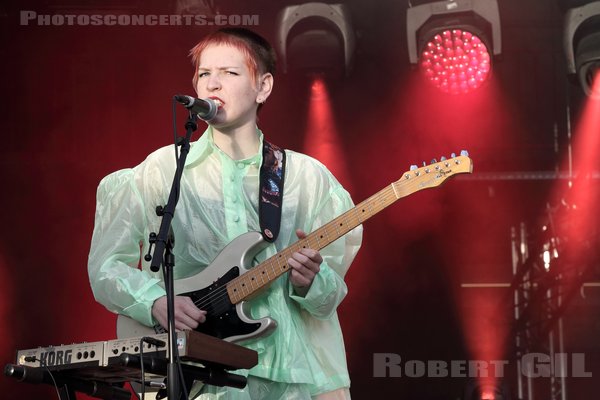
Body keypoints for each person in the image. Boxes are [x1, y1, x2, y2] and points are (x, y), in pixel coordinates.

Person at [88, 27, 362, 400]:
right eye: (204, 74)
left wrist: (309, 281)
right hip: (202, 377)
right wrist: (154, 301)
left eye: (230, 73)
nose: (213, 84)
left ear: (263, 87)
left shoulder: (307, 179)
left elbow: (329, 298)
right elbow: (106, 265)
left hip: (299, 375)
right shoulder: (161, 172)